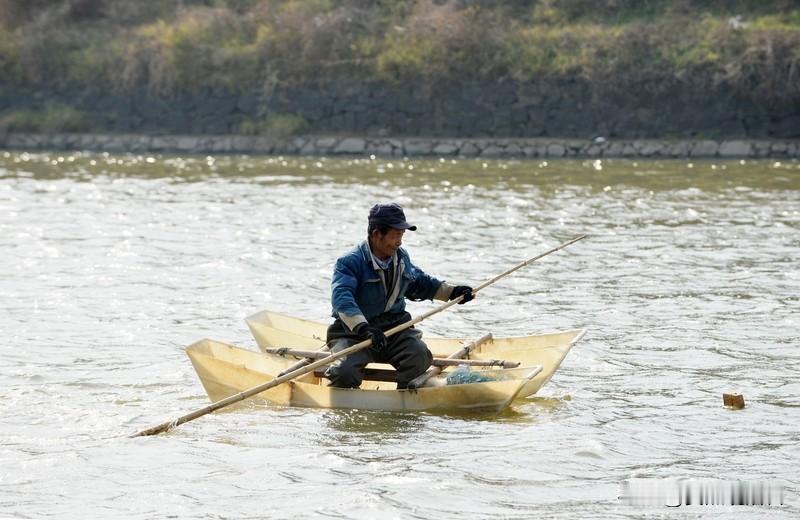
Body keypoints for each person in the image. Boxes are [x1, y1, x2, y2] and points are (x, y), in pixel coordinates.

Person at [325, 202, 474, 390]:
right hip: (354, 333)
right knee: (344, 372)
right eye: (395, 235)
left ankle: (403, 397)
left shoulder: (401, 257)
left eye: (401, 236)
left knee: (420, 357)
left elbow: (420, 282)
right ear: (377, 234)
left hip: (395, 330)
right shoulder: (349, 262)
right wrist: (364, 328)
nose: (399, 242)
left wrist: (453, 292)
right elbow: (342, 299)